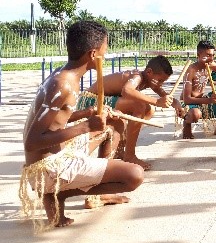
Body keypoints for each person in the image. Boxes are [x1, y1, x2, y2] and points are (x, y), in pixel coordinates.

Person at [20, 21, 144, 230]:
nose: (105, 56)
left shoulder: (64, 75)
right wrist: (86, 126)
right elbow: (31, 142)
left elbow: (55, 121)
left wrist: (88, 114)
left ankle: (98, 194)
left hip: (53, 157)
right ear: (93, 54)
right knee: (134, 176)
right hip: (48, 169)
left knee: (111, 126)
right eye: (105, 51)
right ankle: (57, 193)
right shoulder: (64, 84)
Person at [77, 55, 184, 170]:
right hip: (91, 100)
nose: (161, 84)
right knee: (140, 105)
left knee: (149, 109)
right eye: (160, 80)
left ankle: (120, 149)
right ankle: (130, 155)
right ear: (149, 72)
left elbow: (164, 95)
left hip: (103, 100)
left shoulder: (151, 81)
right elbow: (127, 91)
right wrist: (156, 101)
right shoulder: (137, 76)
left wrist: (177, 105)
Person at [181, 40, 216, 139]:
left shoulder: (211, 65)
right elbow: (186, 99)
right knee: (195, 114)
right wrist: (210, 100)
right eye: (208, 55)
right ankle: (187, 124)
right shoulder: (191, 70)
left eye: (213, 55)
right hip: (189, 104)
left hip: (203, 100)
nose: (211, 58)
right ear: (198, 55)